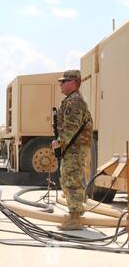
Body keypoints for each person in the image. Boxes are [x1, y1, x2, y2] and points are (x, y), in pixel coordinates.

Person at [52, 70, 93, 231]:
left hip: (75, 147)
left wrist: (59, 142)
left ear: (72, 83)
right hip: (73, 146)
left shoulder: (75, 101)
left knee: (71, 179)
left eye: (63, 81)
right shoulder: (71, 100)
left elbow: (71, 126)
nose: (60, 84)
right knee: (68, 177)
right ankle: (74, 213)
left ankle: (75, 218)